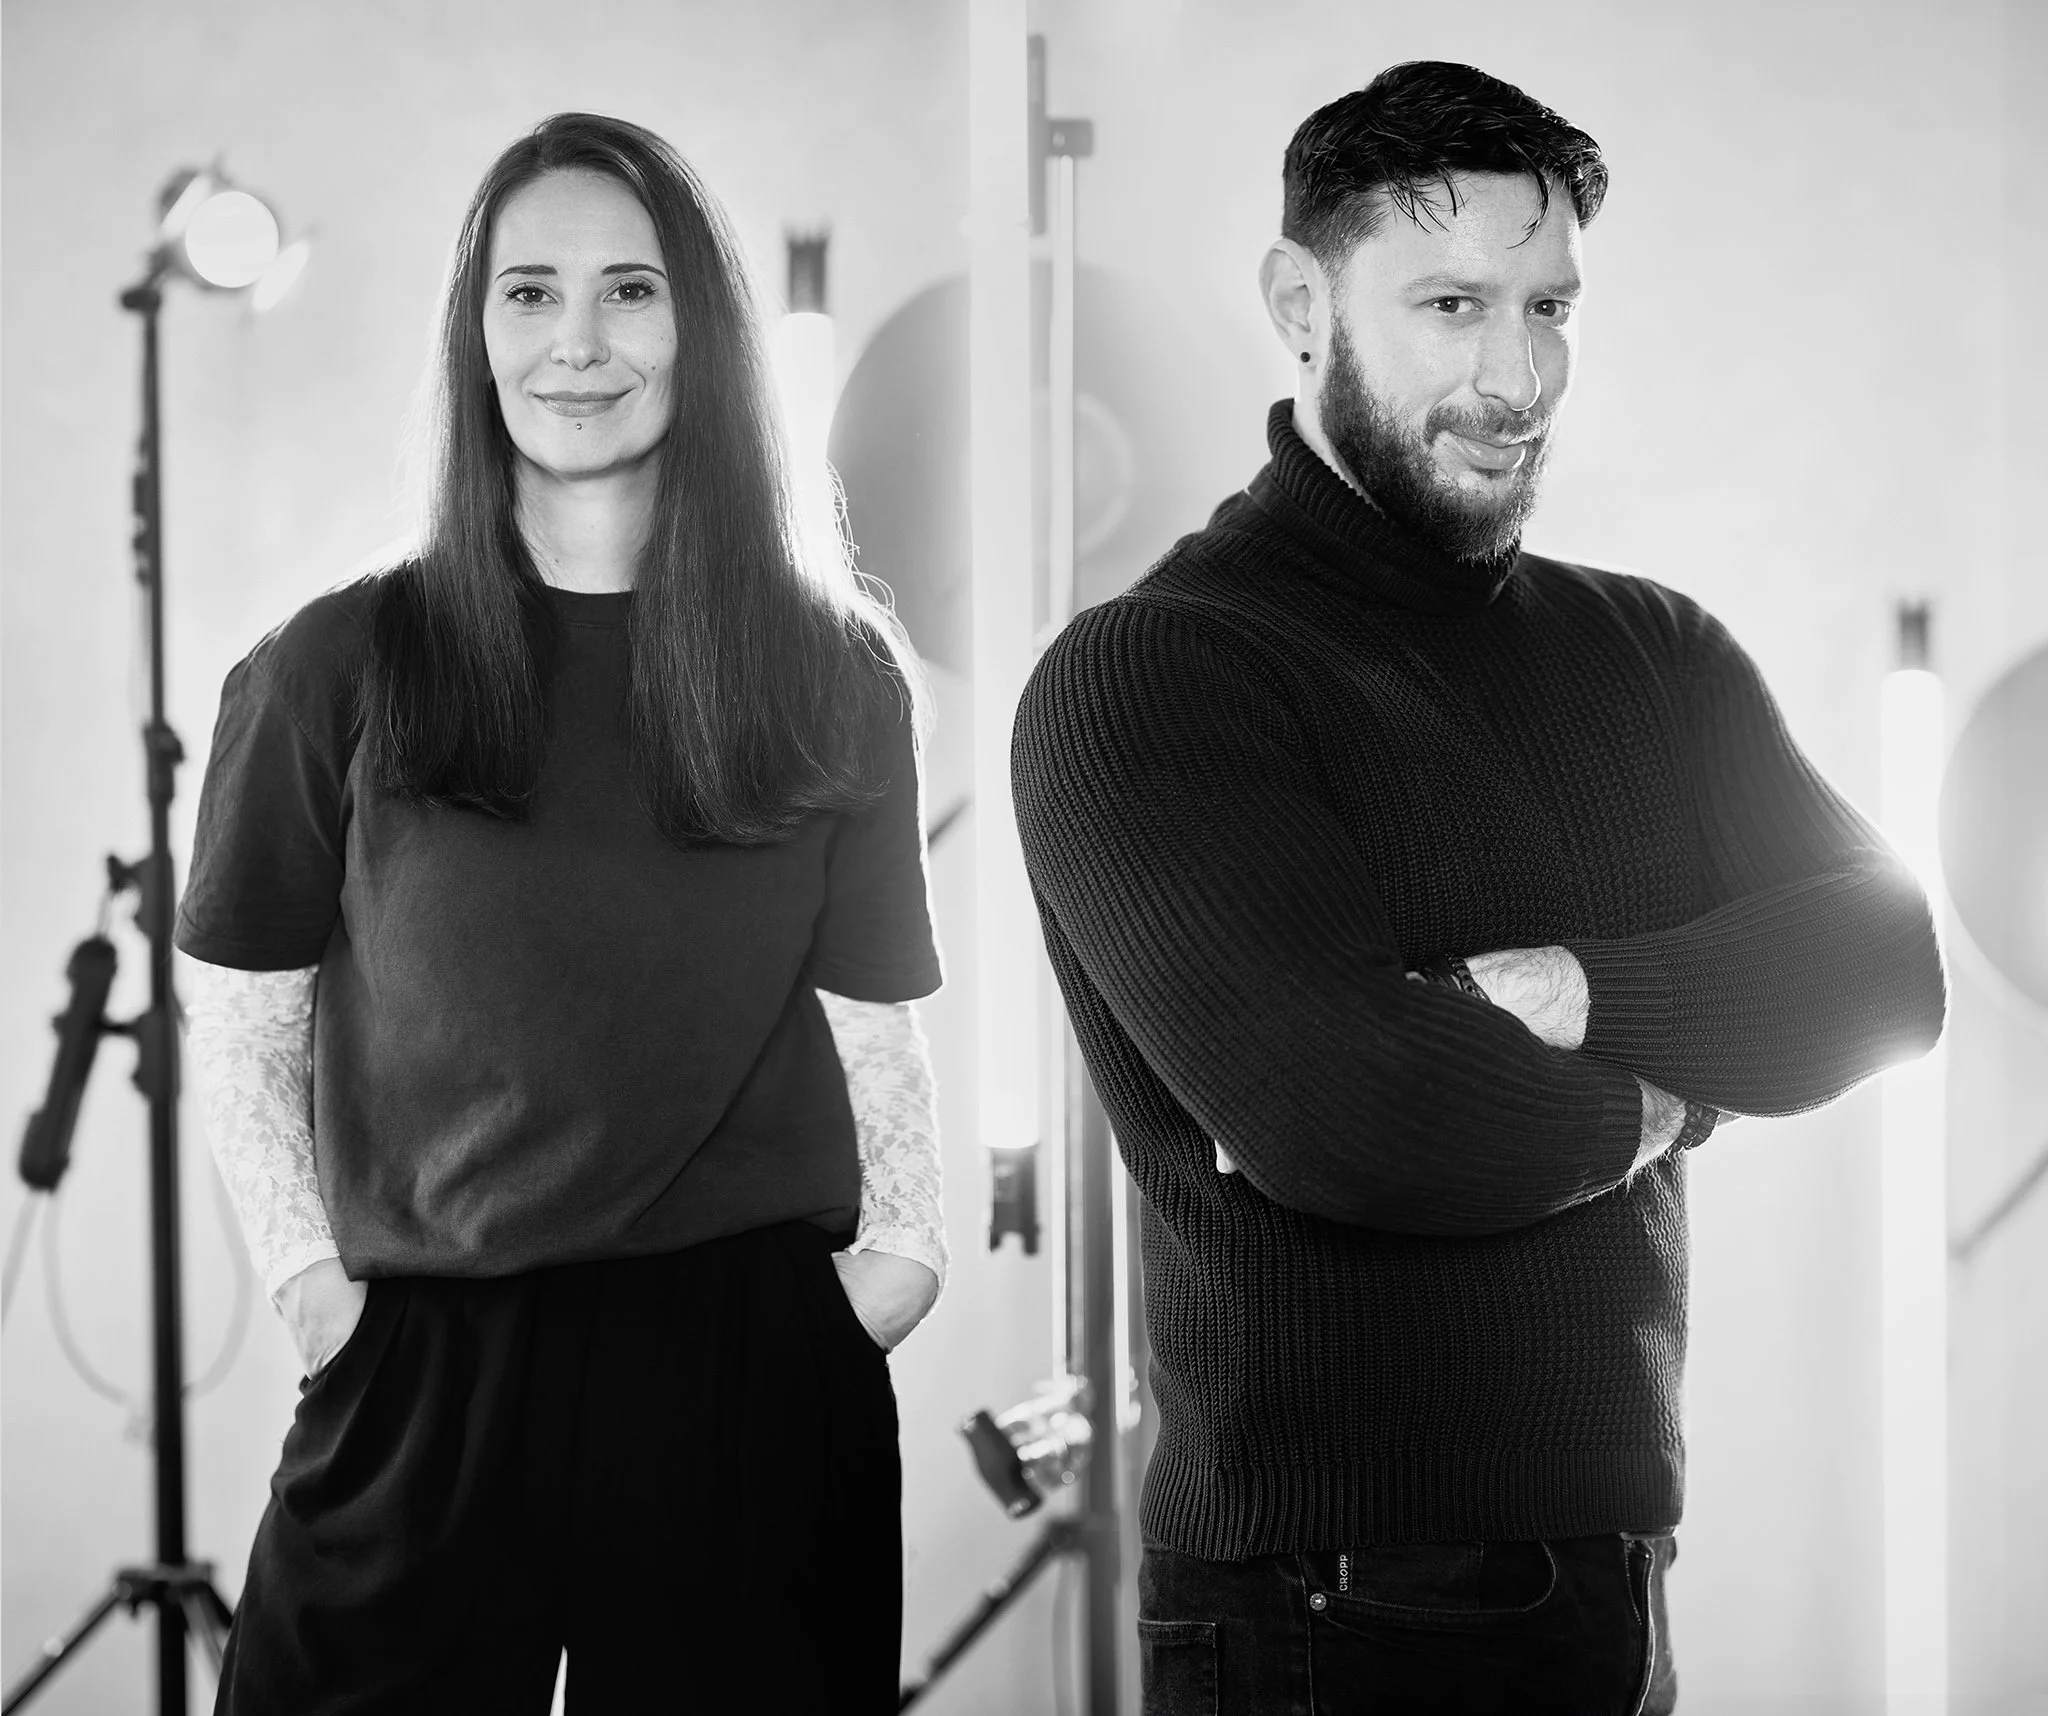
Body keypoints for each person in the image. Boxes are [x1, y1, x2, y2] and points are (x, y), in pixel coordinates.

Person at [1011, 61, 1946, 1716]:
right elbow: (1358, 1121)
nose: (1519, 373)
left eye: (1551, 307)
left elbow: (1883, 972)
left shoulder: (1653, 652)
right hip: (1323, 1623)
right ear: (1300, 304)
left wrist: (1574, 997)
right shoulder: (1156, 675)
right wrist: (1674, 1101)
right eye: (1452, 303)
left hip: (1616, 1586)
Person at [176, 112, 945, 1715]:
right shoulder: (335, 667)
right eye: (528, 294)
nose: (577, 342)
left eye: (630, 292)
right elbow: (245, 1014)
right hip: (428, 1355)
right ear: (475, 337)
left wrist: (903, 1260)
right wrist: (317, 1291)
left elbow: (875, 1012)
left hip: (745, 1357)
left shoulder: (830, 673)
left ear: (702, 333)